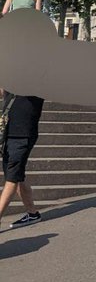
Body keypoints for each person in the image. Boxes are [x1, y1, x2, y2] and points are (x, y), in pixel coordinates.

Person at [0, 88, 44, 228]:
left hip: (23, 132)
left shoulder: (38, 79)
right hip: (8, 130)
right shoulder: (14, 78)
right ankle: (32, 213)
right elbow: (2, 93)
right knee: (15, 174)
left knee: (12, 177)